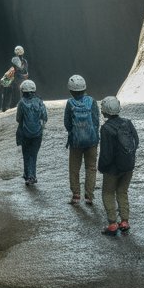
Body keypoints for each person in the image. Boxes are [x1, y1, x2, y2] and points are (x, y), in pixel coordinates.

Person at [97, 96, 139, 236]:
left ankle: (112, 224)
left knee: (108, 193)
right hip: (128, 166)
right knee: (122, 191)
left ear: (105, 111)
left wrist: (102, 167)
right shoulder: (128, 123)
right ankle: (125, 221)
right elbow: (135, 142)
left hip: (112, 169)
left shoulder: (106, 129)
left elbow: (106, 153)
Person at [63, 74, 99, 205]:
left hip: (76, 142)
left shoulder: (70, 103)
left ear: (71, 90)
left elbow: (67, 122)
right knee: (91, 168)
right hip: (91, 141)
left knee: (74, 168)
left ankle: (76, 195)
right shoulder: (91, 101)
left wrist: (74, 132)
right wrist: (94, 135)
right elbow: (96, 120)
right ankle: (89, 195)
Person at [15, 79, 47, 185]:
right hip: (37, 133)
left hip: (25, 133)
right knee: (33, 154)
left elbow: (18, 119)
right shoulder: (39, 101)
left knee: (26, 153)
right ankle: (31, 175)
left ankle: (28, 175)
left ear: (23, 91)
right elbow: (45, 117)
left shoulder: (21, 103)